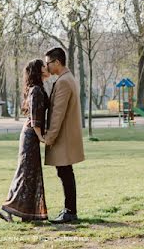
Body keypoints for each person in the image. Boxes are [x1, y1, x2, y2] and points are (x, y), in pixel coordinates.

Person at [0, 58, 50, 222]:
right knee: (26, 173)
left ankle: (25, 213)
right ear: (38, 70)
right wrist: (41, 135)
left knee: (30, 173)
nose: (46, 67)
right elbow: (35, 116)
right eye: (43, 66)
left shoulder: (39, 88)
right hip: (30, 135)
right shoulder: (35, 90)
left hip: (32, 135)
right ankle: (8, 209)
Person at [43, 46, 85, 224]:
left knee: (65, 172)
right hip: (66, 135)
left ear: (57, 62)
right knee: (65, 172)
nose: (47, 67)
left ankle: (70, 211)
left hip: (63, 137)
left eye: (48, 63)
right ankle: (69, 210)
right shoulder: (68, 78)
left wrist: (49, 137)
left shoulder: (63, 81)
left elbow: (57, 113)